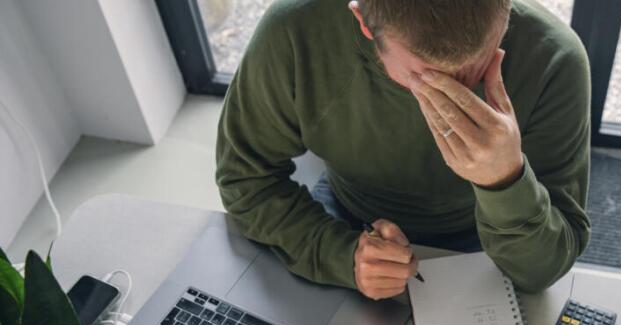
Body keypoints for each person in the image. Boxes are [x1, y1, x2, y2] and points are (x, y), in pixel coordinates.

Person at [216, 0, 591, 299]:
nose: (452, 95)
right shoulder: (294, 31)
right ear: (363, 22)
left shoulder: (555, 58)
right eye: (424, 76)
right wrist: (340, 256)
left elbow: (544, 270)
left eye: (475, 67)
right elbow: (244, 178)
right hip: (346, 216)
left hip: (487, 239)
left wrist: (505, 179)